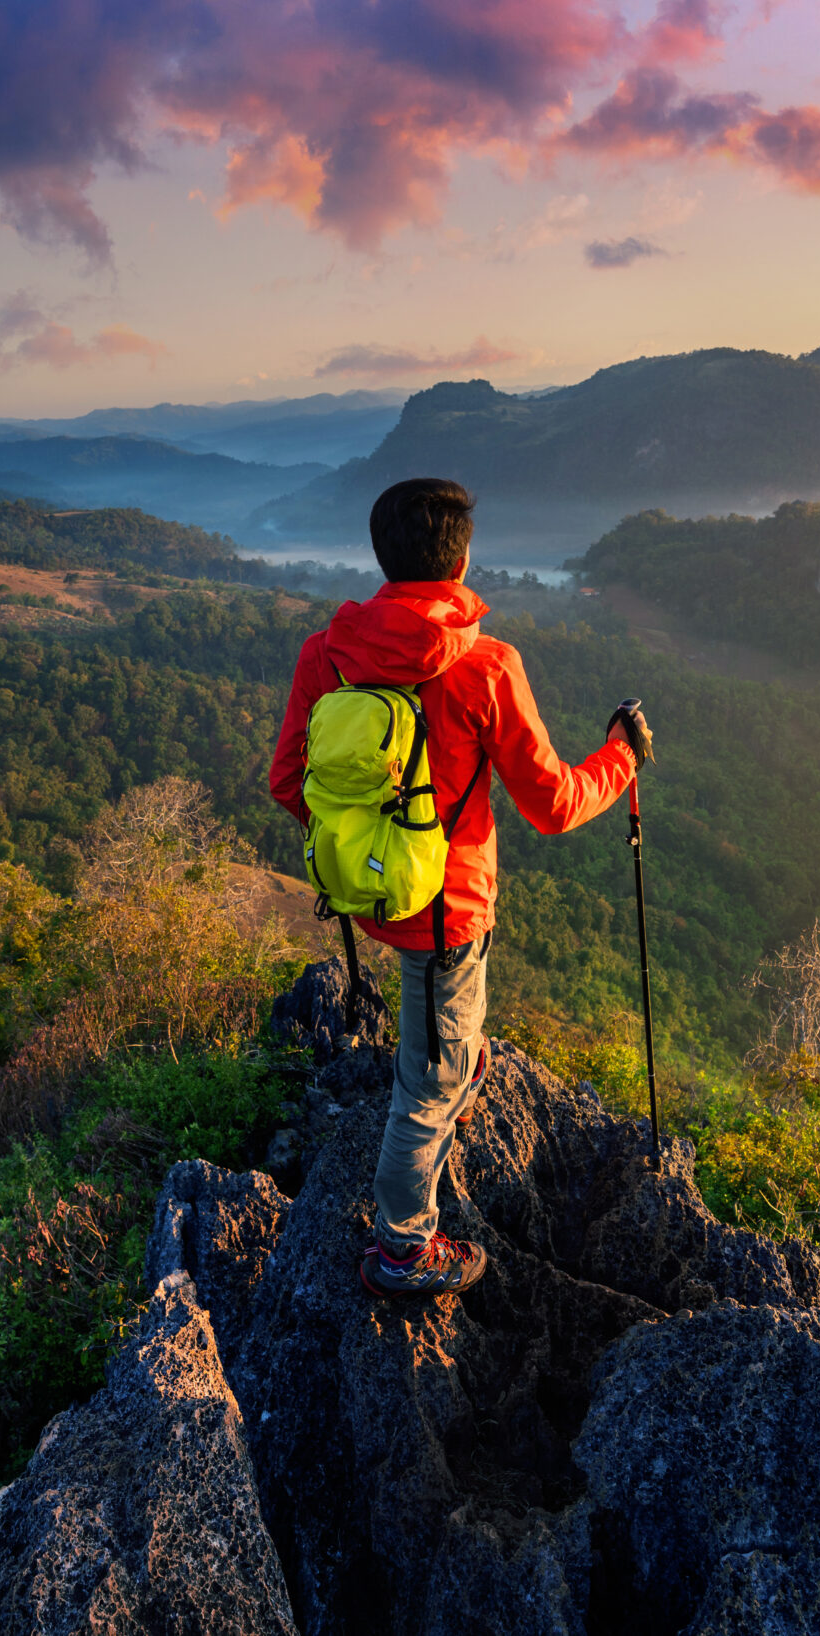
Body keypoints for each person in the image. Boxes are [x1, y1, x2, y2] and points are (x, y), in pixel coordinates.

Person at [269, 477, 653, 1299]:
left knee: (443, 1034)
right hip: (450, 910)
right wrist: (620, 758)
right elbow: (551, 805)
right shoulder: (487, 666)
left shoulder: (327, 654)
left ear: (382, 556)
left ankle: (458, 1062)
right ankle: (402, 1249)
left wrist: (366, 844)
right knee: (425, 1086)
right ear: (463, 559)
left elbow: (287, 781)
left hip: (373, 896)